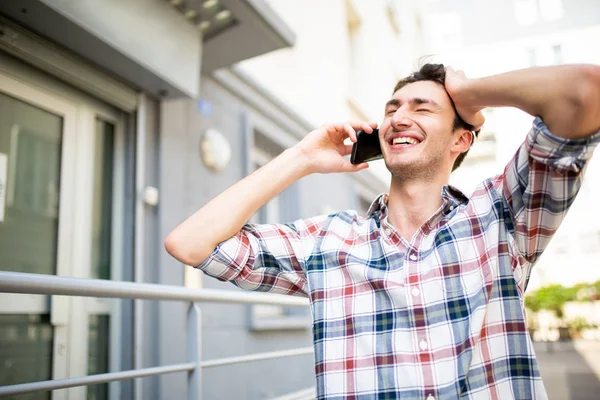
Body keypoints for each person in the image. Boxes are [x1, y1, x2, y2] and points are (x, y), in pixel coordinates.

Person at [165, 63, 600, 399]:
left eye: (422, 107)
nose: (398, 117)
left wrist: (468, 92)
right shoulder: (328, 241)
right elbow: (190, 243)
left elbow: (585, 91)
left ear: (461, 140)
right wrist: (301, 157)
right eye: (392, 109)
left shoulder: (502, 216)